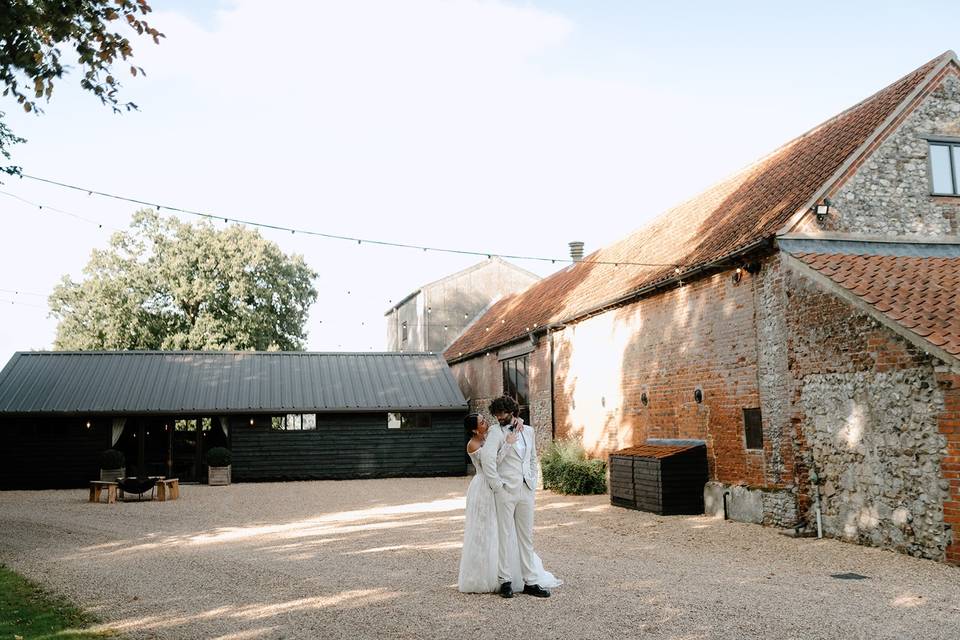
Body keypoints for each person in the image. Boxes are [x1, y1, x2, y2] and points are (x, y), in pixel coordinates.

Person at [457, 410, 560, 594]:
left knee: (504, 530)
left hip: (502, 487)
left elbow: (506, 426)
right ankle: (484, 575)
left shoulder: (491, 434)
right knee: (485, 530)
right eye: (481, 422)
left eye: (484, 420)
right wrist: (507, 445)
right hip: (484, 488)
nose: (486, 423)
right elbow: (491, 463)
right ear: (474, 430)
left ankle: (513, 574)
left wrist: (518, 421)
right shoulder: (473, 444)